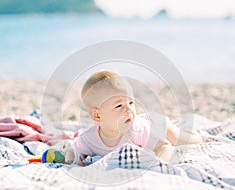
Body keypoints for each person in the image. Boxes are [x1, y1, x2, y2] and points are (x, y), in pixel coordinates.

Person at [65, 70, 202, 165]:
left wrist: (158, 166)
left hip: (157, 124)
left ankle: (196, 133)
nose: (128, 109)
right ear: (97, 115)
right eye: (119, 106)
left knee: (185, 140)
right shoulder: (90, 139)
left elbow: (165, 146)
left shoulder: (139, 131)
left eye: (131, 102)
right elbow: (77, 153)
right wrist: (70, 158)